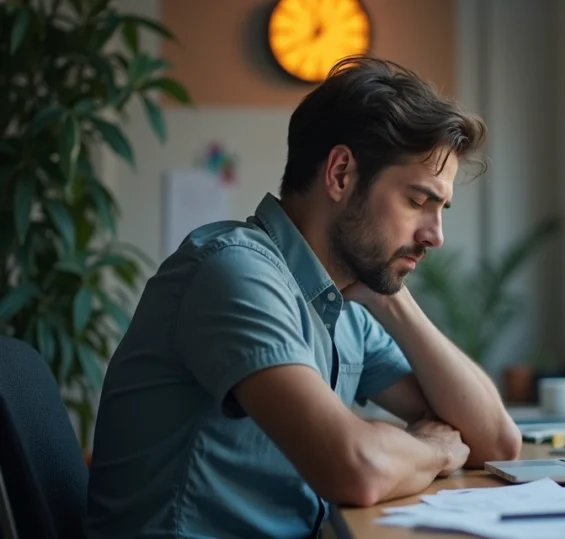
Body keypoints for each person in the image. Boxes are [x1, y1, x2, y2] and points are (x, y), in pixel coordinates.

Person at [83, 55, 522, 539]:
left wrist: (393, 298)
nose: (435, 235)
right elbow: (354, 467)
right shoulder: (234, 272)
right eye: (418, 201)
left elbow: (496, 442)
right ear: (339, 174)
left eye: (441, 208)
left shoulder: (343, 300)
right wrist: (433, 448)